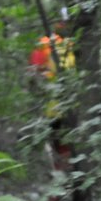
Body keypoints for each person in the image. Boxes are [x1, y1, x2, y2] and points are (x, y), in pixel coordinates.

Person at [28, 26, 75, 173]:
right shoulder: (74, 44)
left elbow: (33, 75)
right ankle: (67, 184)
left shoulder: (45, 45)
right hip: (69, 107)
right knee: (66, 148)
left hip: (55, 109)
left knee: (60, 149)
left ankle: (63, 184)